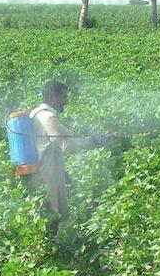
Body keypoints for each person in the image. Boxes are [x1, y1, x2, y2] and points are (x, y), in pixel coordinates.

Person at [29, 80, 110, 233]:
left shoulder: (35, 114)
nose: (66, 102)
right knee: (56, 216)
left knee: (44, 216)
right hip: (48, 174)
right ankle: (57, 249)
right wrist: (93, 141)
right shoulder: (48, 118)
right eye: (64, 97)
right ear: (52, 96)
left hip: (37, 173)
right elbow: (68, 145)